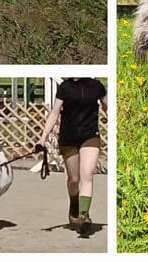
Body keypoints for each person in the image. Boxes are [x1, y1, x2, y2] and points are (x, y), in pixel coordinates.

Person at [37, 78, 107, 233]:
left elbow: (107, 106)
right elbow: (54, 114)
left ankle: (83, 215)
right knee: (74, 179)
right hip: (68, 138)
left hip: (90, 135)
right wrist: (43, 138)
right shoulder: (65, 87)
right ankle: (74, 204)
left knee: (87, 175)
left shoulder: (96, 86)